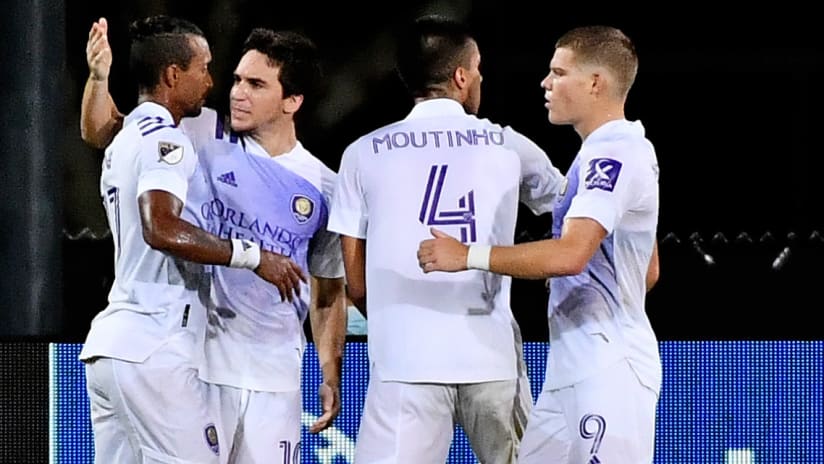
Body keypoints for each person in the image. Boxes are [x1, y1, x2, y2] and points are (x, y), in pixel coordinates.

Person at [81, 19, 347, 463]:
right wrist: (98, 77)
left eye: (256, 84)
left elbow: (328, 290)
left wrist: (329, 369)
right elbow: (102, 131)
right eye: (237, 79)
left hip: (275, 378)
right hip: (201, 364)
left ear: (292, 101)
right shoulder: (199, 130)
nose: (236, 91)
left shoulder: (325, 187)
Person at [417, 25, 661, 463]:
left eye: (558, 72)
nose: (546, 83)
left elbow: (570, 254)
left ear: (595, 83)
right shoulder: (598, 156)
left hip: (607, 373)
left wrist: (466, 255)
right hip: (572, 369)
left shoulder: (615, 155)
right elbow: (648, 269)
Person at [328, 14, 565, 463]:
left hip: (403, 363)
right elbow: (576, 213)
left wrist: (397, 323)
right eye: (477, 69)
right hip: (489, 359)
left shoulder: (361, 154)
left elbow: (355, 283)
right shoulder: (507, 144)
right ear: (460, 76)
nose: (479, 78)